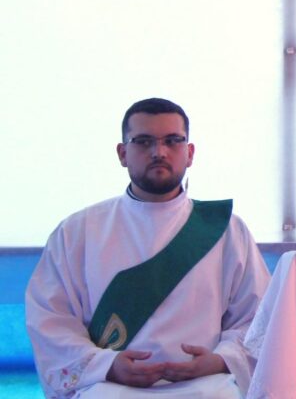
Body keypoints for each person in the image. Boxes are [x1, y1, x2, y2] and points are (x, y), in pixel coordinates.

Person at [25, 98, 271, 399]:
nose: (159, 152)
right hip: (107, 385)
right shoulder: (78, 231)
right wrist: (108, 364)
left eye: (173, 141)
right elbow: (50, 318)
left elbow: (259, 317)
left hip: (207, 385)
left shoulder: (228, 231)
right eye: (143, 142)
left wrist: (220, 360)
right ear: (122, 153)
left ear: (190, 153)